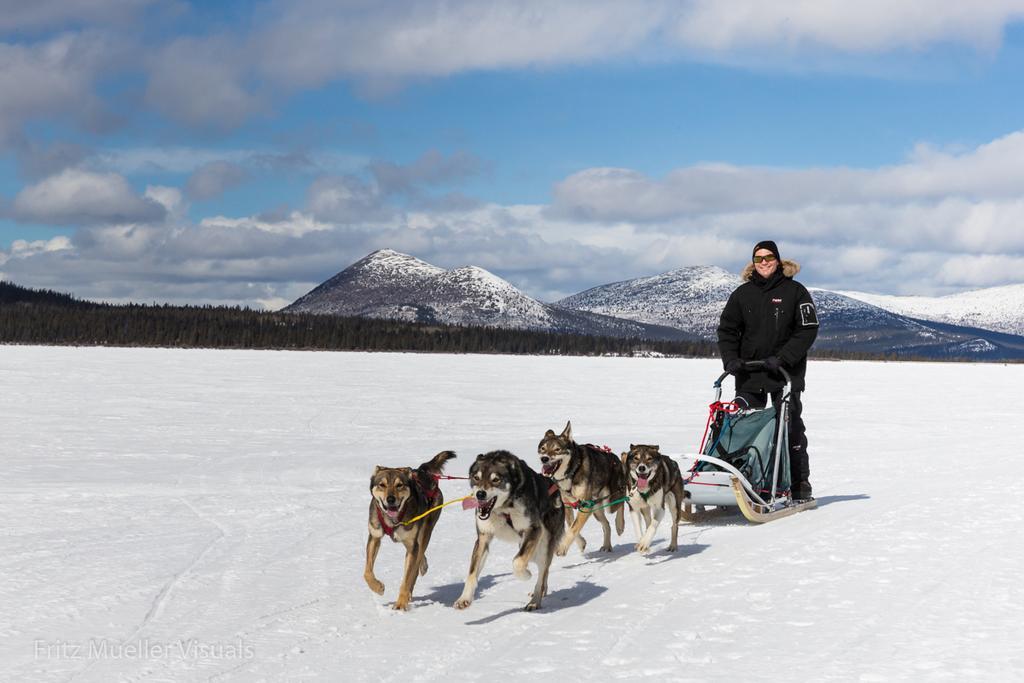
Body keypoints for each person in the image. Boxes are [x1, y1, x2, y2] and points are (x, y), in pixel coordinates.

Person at [717, 240, 819, 500]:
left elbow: (807, 330)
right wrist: (731, 360)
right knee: (740, 426)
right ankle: (743, 478)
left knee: (790, 427)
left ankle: (798, 483)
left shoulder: (795, 292)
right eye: (758, 258)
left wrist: (783, 358)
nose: (764, 262)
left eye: (768, 257)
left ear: (778, 260)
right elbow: (727, 330)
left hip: (785, 376)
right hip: (749, 375)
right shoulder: (742, 295)